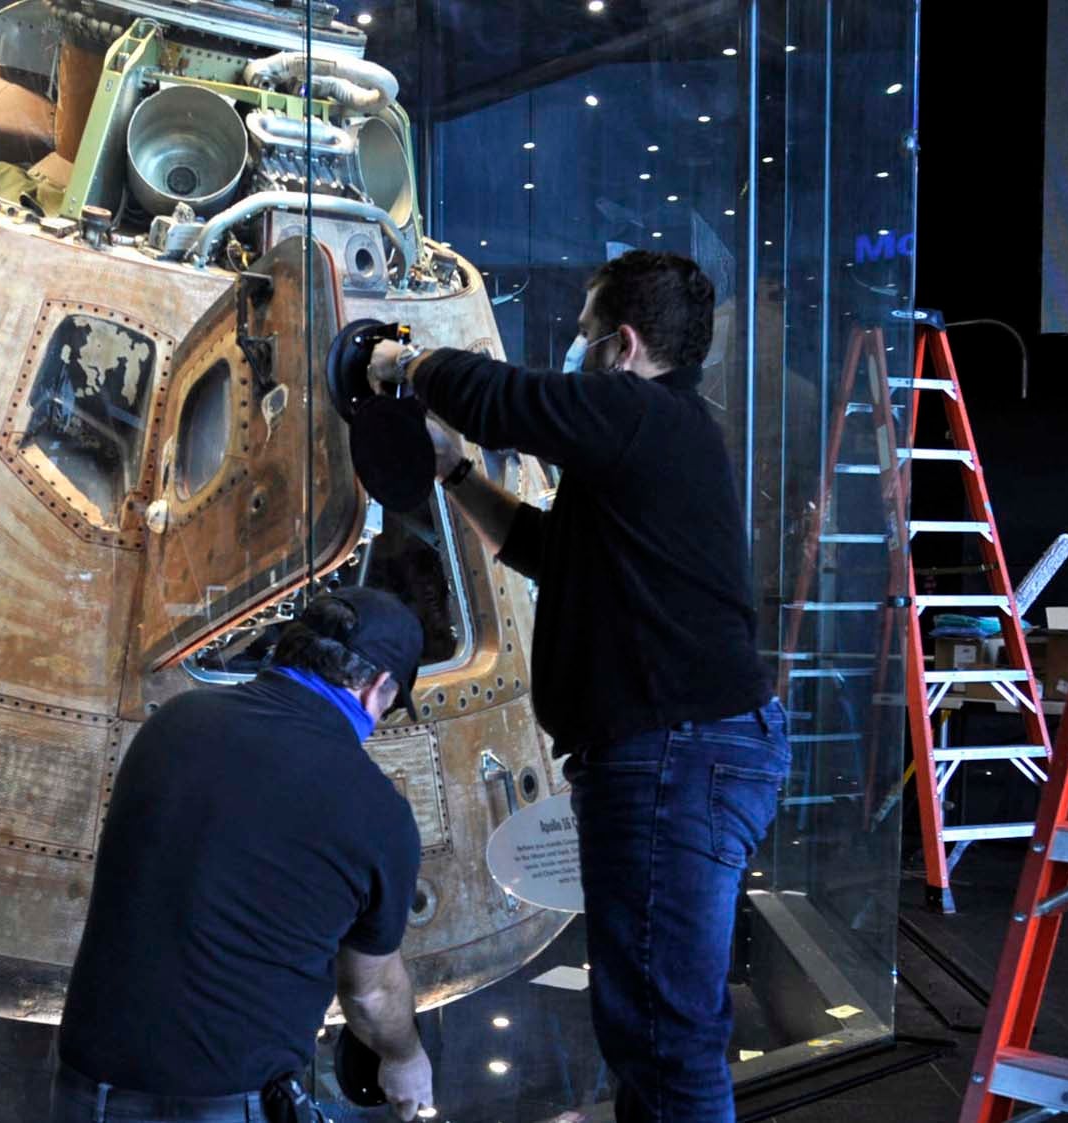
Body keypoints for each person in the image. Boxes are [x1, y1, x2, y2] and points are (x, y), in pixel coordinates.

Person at [367, 250, 791, 1123]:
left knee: (666, 1036)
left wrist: (400, 361)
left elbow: (507, 401)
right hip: (679, 753)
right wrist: (453, 472)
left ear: (623, 346)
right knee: (657, 1027)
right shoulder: (653, 446)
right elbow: (546, 552)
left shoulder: (642, 414)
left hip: (673, 755)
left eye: (584, 333)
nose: (571, 347)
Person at [54, 588, 437, 1123]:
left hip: (84, 1084)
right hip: (222, 1100)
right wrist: (404, 1056)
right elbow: (370, 996)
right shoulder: (378, 812)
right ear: (378, 688)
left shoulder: (172, 723)